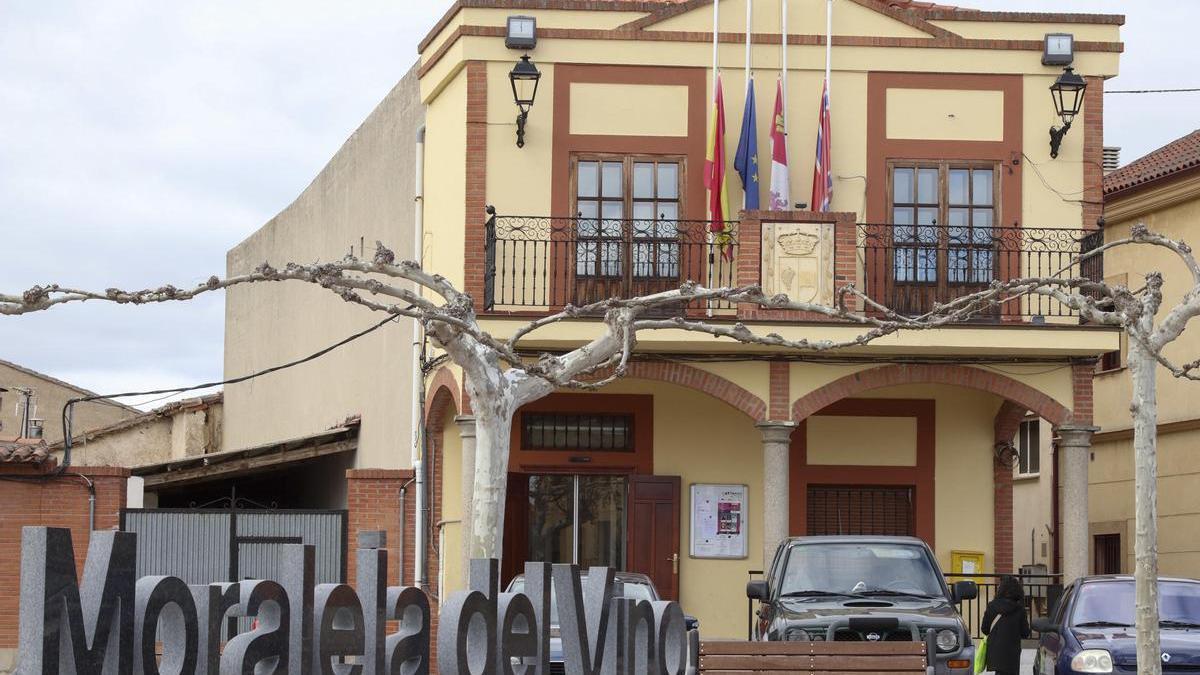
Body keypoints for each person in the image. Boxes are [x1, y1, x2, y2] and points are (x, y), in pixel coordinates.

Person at [981, 575, 1031, 675]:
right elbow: (1025, 633)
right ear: (1017, 591)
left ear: (1001, 589)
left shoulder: (992, 606)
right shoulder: (1020, 609)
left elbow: (985, 629)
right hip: (1012, 655)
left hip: (995, 653)